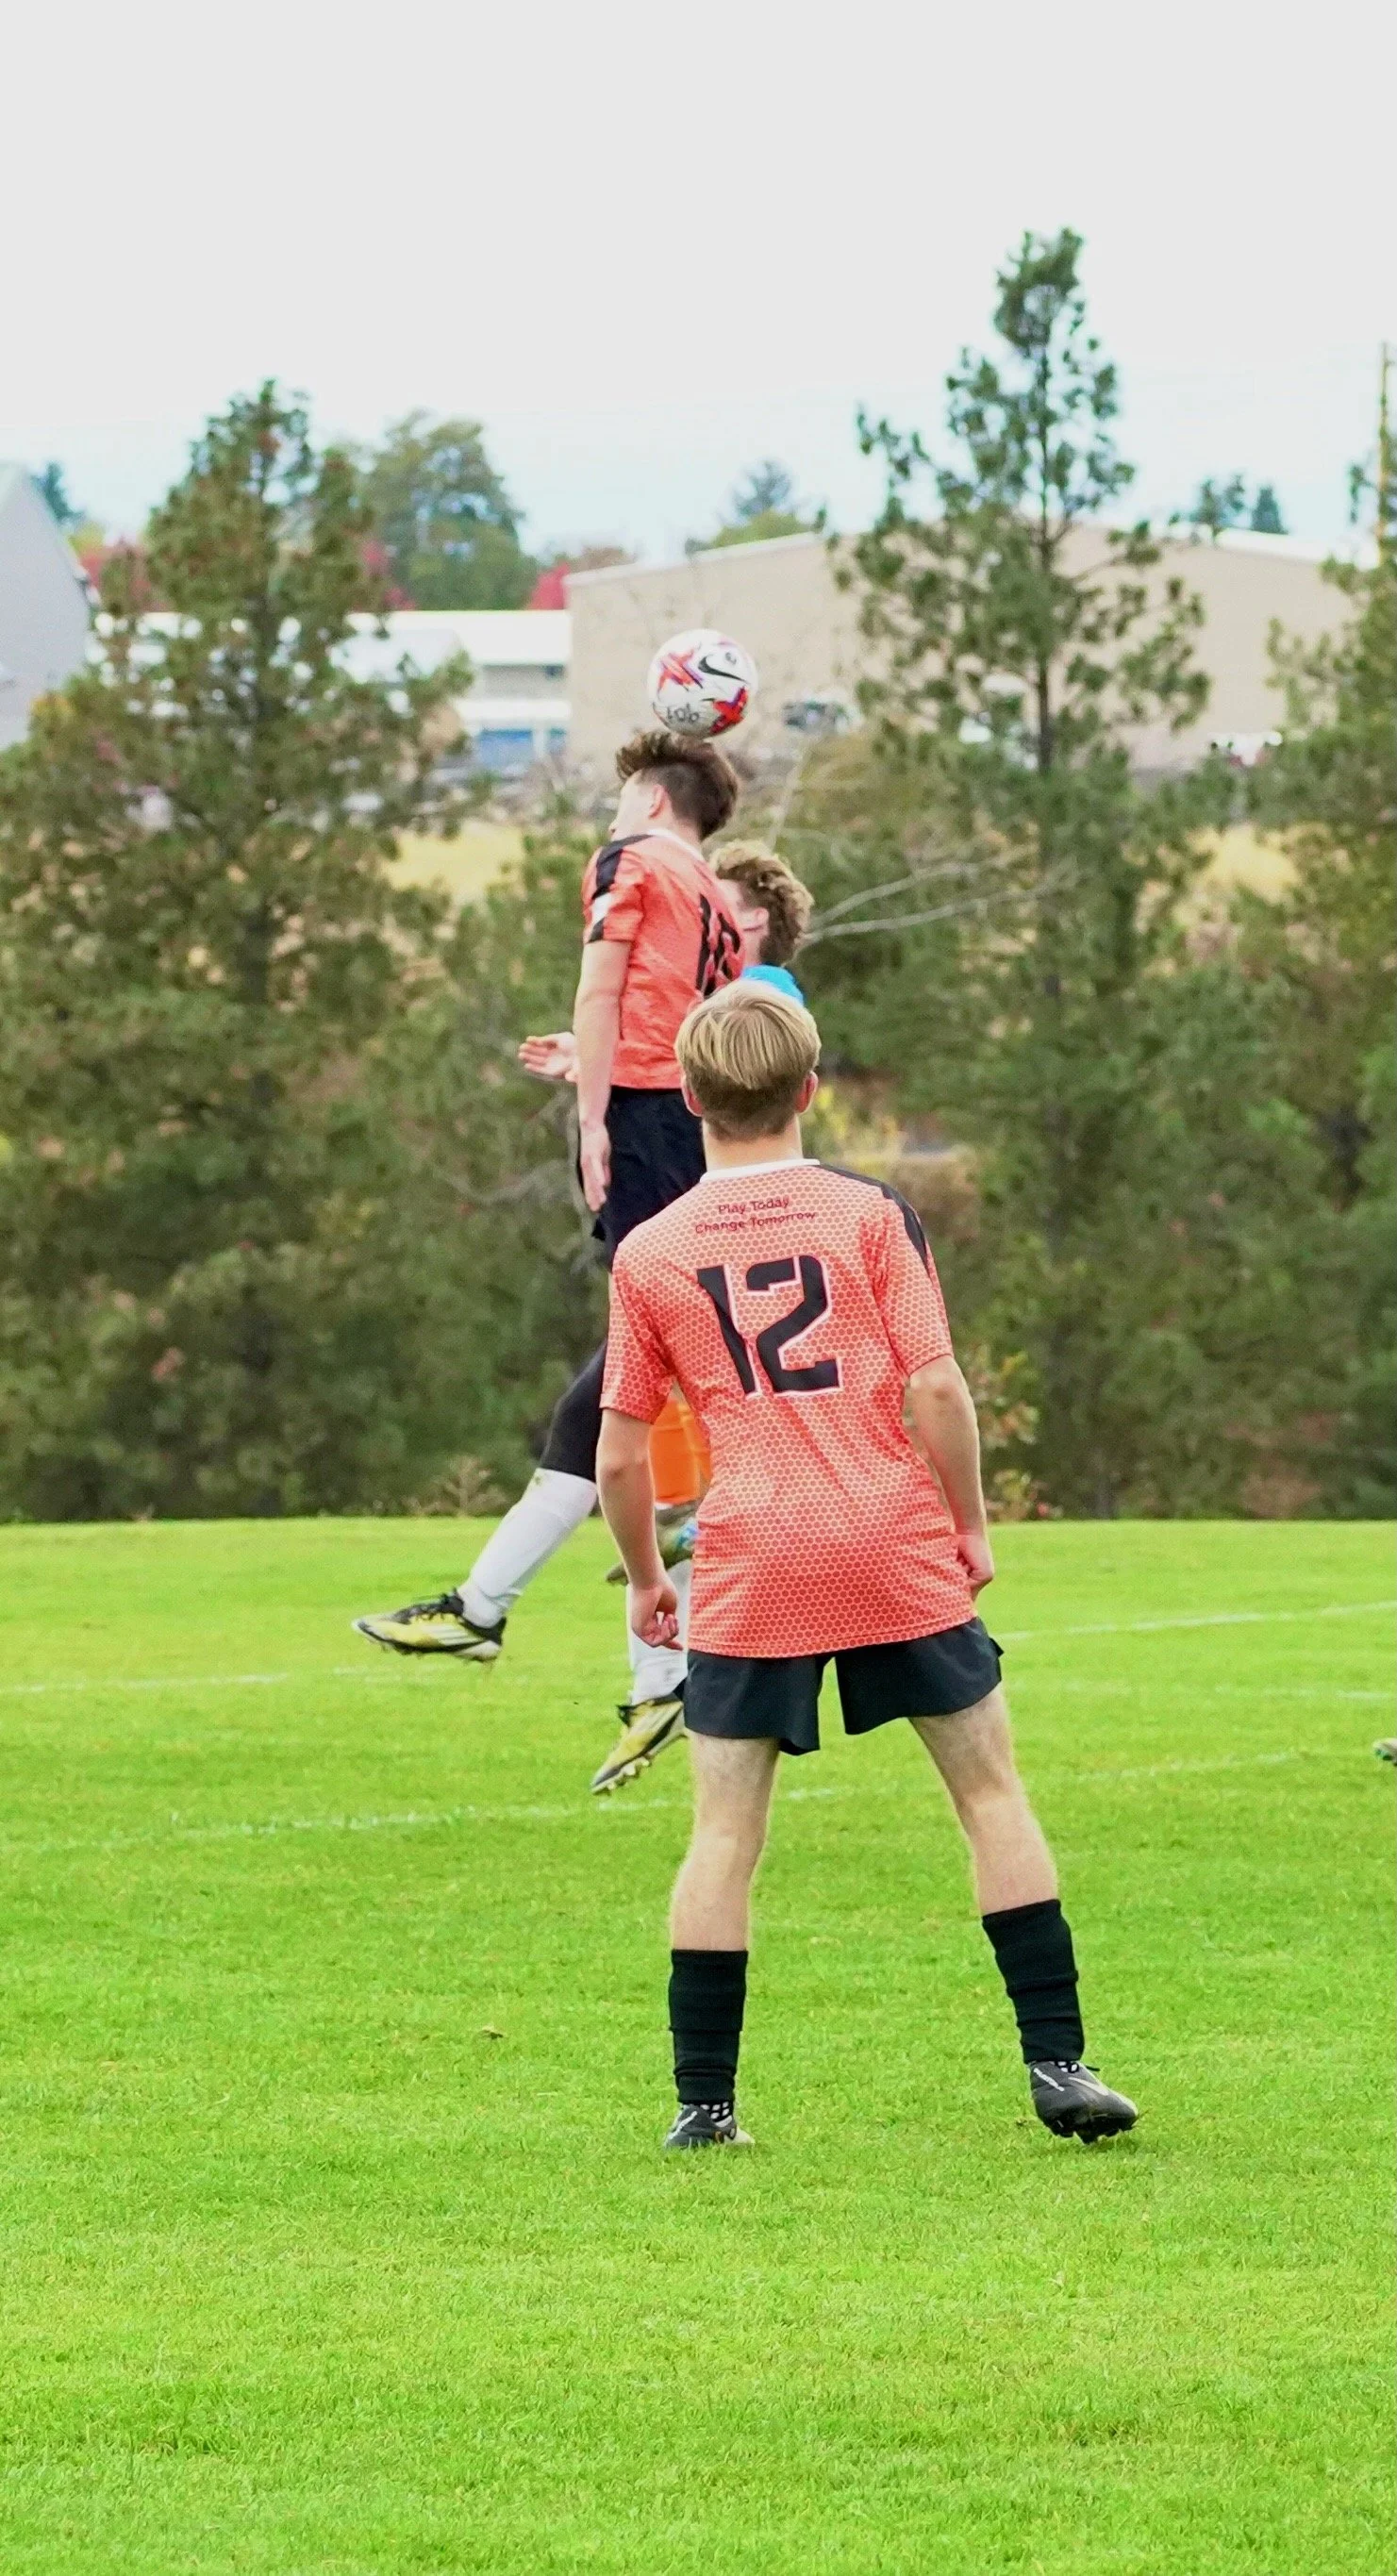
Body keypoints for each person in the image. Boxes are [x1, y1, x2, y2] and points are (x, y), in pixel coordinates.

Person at [596, 979, 1139, 2151]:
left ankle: (704, 2107)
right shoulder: (865, 1214)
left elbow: (621, 1450)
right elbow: (934, 1386)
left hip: (751, 1561)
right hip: (890, 1540)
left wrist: (646, 1576)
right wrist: (972, 1524)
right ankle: (1058, 2064)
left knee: (723, 1834)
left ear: (687, 1096)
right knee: (988, 1793)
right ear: (809, 1087)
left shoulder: (649, 1250)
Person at [353, 731, 742, 1751]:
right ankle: (513, 1616)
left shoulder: (633, 858)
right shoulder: (709, 894)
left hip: (653, 1129)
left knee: (649, 1377)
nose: (611, 818)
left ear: (654, 801)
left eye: (622, 798)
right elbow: (685, 1022)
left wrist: (592, 1117)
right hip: (692, 1130)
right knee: (631, 1384)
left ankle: (646, 1657)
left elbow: (605, 988)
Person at [507, 838, 816, 1793]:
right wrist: (596, 1061)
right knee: (642, 1423)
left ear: (754, 922)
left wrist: (620, 1061)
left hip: (736, 1228)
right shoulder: (716, 1000)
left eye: (721, 907)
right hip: (721, 1225)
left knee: (629, 1416)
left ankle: (633, 1620)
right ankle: (665, 1660)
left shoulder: (762, 994)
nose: (704, 921)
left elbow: (728, 1056)